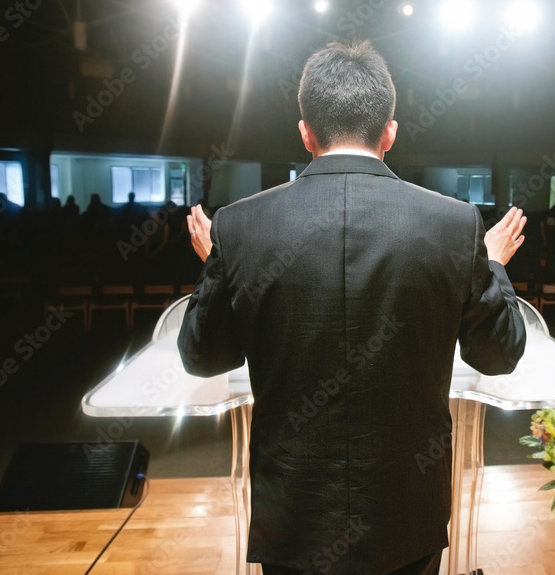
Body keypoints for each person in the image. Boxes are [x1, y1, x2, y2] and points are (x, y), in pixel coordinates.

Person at [177, 40, 527, 575]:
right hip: (405, 515)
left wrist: (221, 266)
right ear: (390, 131)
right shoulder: (454, 224)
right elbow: (498, 353)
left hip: (293, 515)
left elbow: (202, 355)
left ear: (305, 132)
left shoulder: (241, 225)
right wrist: (492, 263)